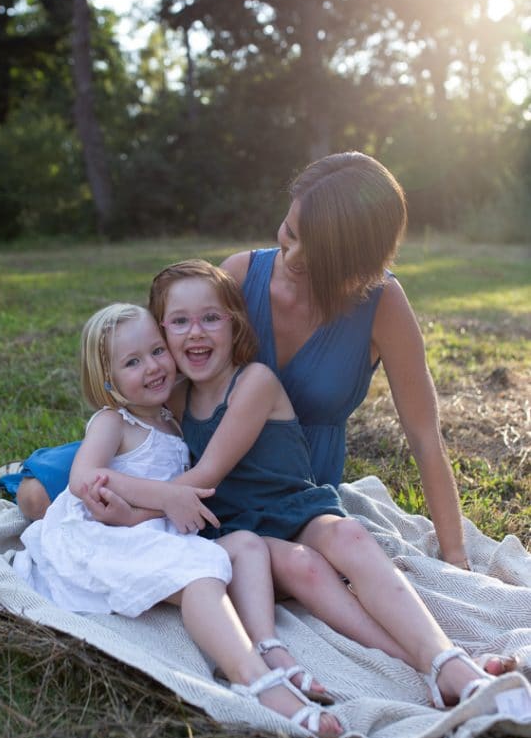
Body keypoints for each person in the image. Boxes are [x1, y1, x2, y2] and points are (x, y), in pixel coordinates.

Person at [82, 261, 519, 711]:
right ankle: (425, 663)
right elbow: (122, 434)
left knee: (347, 533)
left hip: (294, 507)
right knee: (304, 567)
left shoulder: (254, 382)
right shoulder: (174, 397)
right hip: (237, 528)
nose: (196, 333)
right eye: (179, 322)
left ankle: (444, 657)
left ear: (234, 323)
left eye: (210, 318)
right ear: (163, 335)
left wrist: (138, 509)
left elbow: (204, 477)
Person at [6, 152, 468, 571]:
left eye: (318, 251)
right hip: (190, 451)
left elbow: (425, 438)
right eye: (290, 232)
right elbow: (174, 350)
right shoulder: (243, 273)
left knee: (286, 566)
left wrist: (456, 558)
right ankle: (30, 471)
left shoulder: (382, 303)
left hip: (284, 478)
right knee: (37, 496)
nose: (292, 256)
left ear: (356, 259)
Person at [12, 302, 342, 738]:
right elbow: (83, 478)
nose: (152, 367)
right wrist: (168, 497)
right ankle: (254, 681)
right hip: (104, 537)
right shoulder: (113, 421)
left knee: (246, 545)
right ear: (107, 380)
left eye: (156, 351)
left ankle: (268, 646)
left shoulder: (172, 417)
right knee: (201, 574)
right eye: (132, 362)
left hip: (158, 532)